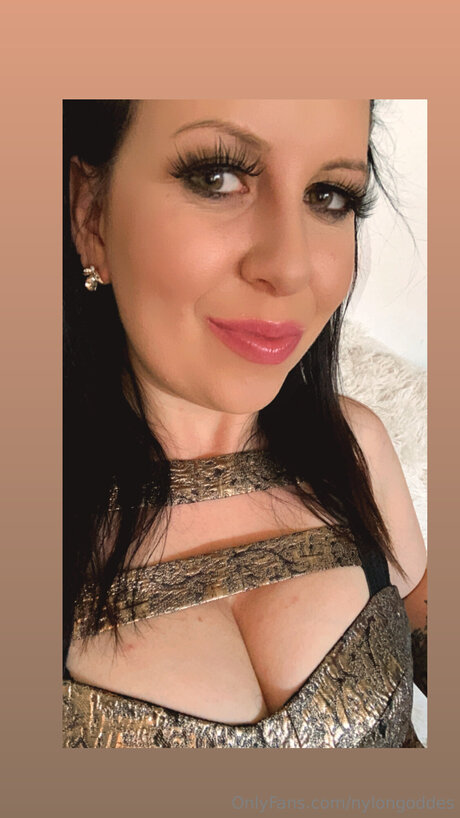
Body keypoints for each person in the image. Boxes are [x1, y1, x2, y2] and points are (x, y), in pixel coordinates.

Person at [62, 99, 427, 748]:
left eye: (329, 195)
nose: (291, 267)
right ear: (91, 213)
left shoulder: (355, 446)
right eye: (216, 177)